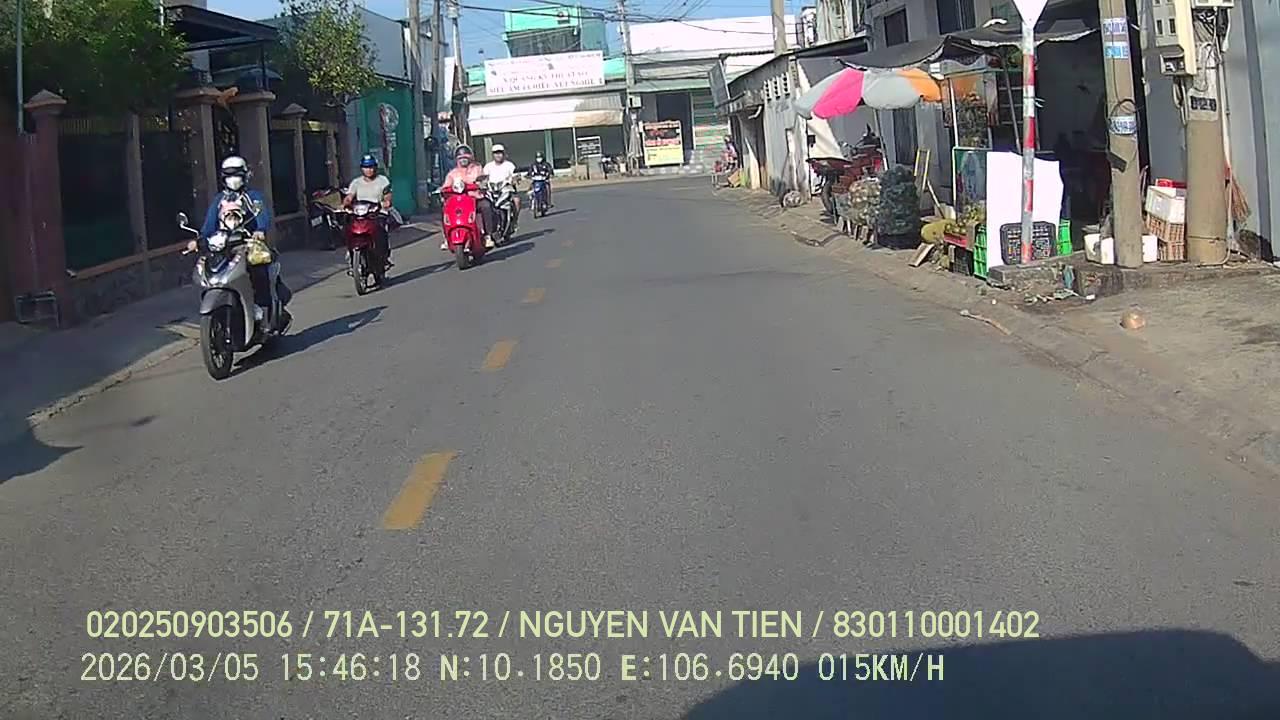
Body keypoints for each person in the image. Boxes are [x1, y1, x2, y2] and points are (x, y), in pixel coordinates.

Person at [189, 155, 292, 329]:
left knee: (259, 274)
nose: (233, 179)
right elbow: (209, 225)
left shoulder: (253, 197)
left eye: (236, 175)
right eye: (229, 175)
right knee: (210, 275)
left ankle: (263, 312)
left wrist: (260, 230)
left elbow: (262, 216)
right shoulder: (219, 200)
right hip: (224, 248)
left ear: (244, 176)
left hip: (248, 246)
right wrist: (198, 240)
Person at [440, 145, 498, 250]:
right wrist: (443, 190)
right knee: (445, 210)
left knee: (486, 206)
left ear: (470, 158)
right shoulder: (453, 173)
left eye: (465, 158)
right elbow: (446, 186)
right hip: (458, 201)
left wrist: (481, 185)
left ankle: (488, 236)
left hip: (475, 199)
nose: (463, 160)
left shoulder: (477, 168)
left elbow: (482, 180)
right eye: (460, 158)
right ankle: (446, 237)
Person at [344, 153, 394, 268]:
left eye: (371, 167)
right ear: (362, 169)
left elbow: (387, 196)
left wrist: (386, 202)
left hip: (377, 213)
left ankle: (383, 256)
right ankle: (350, 252)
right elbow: (349, 196)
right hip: (360, 214)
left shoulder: (383, 181)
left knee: (381, 231)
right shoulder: (356, 182)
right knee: (348, 226)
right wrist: (346, 203)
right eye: (366, 167)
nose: (369, 170)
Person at [483, 144, 520, 238]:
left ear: (504, 154)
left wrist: (514, 180)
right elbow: (484, 178)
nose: (498, 155)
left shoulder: (509, 165)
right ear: (493, 155)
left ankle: (514, 221)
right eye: (496, 153)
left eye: (500, 153)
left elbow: (515, 176)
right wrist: (482, 183)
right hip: (492, 190)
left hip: (506, 189)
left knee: (517, 201)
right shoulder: (488, 166)